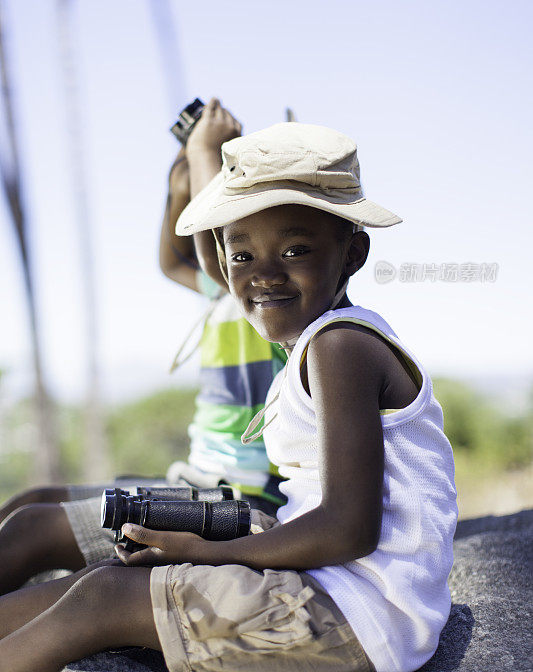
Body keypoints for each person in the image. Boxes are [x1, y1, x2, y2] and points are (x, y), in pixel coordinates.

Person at [0, 122, 457, 672]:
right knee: (106, 577)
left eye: (295, 249)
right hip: (337, 591)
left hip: (358, 617)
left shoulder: (341, 347)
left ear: (353, 253)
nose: (264, 275)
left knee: (106, 598)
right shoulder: (319, 341)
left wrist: (207, 554)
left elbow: (347, 528)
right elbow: (202, 258)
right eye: (242, 258)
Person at [0, 99, 285, 593]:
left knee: (29, 532)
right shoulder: (225, 291)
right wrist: (179, 186)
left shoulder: (269, 303)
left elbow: (208, 245)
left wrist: (204, 153)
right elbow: (173, 262)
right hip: (200, 484)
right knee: (30, 502)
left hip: (240, 500)